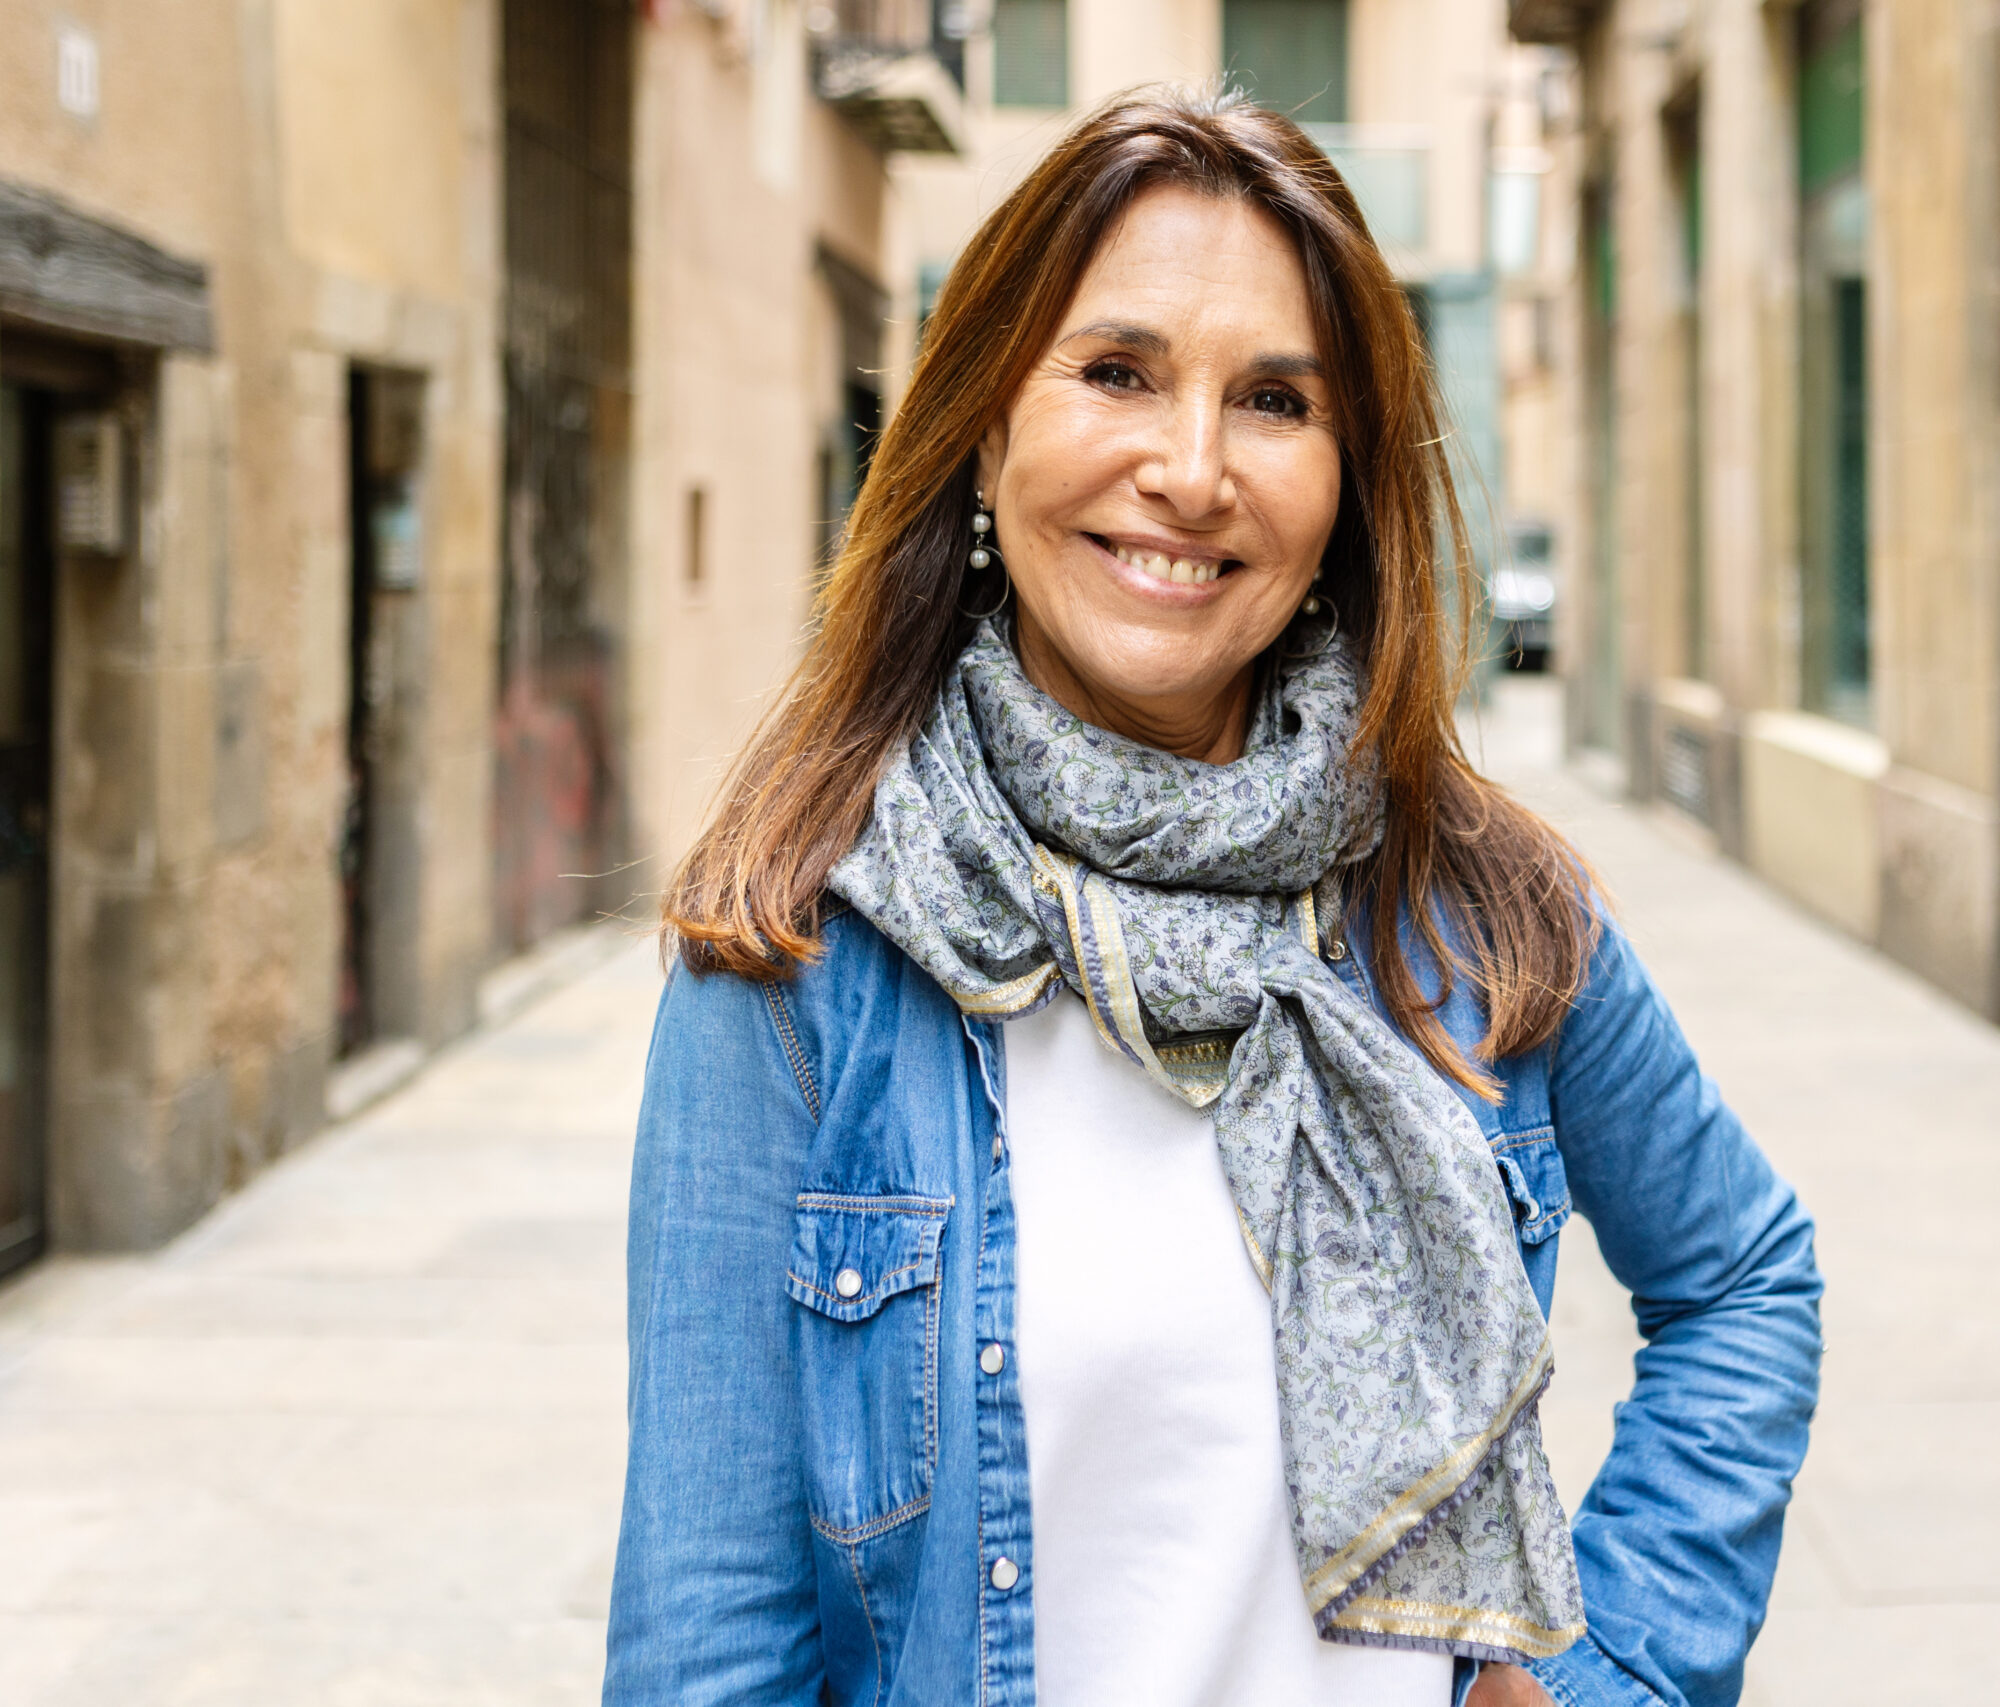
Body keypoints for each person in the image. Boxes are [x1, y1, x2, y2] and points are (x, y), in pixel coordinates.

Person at [605, 89, 1821, 1707]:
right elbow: (709, 1650)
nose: (1189, 471)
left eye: (1273, 401)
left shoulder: (1483, 909)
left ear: (1342, 488)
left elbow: (1743, 1277)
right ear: (984, 425)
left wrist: (1616, 1675)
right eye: (1116, 374)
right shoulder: (800, 952)